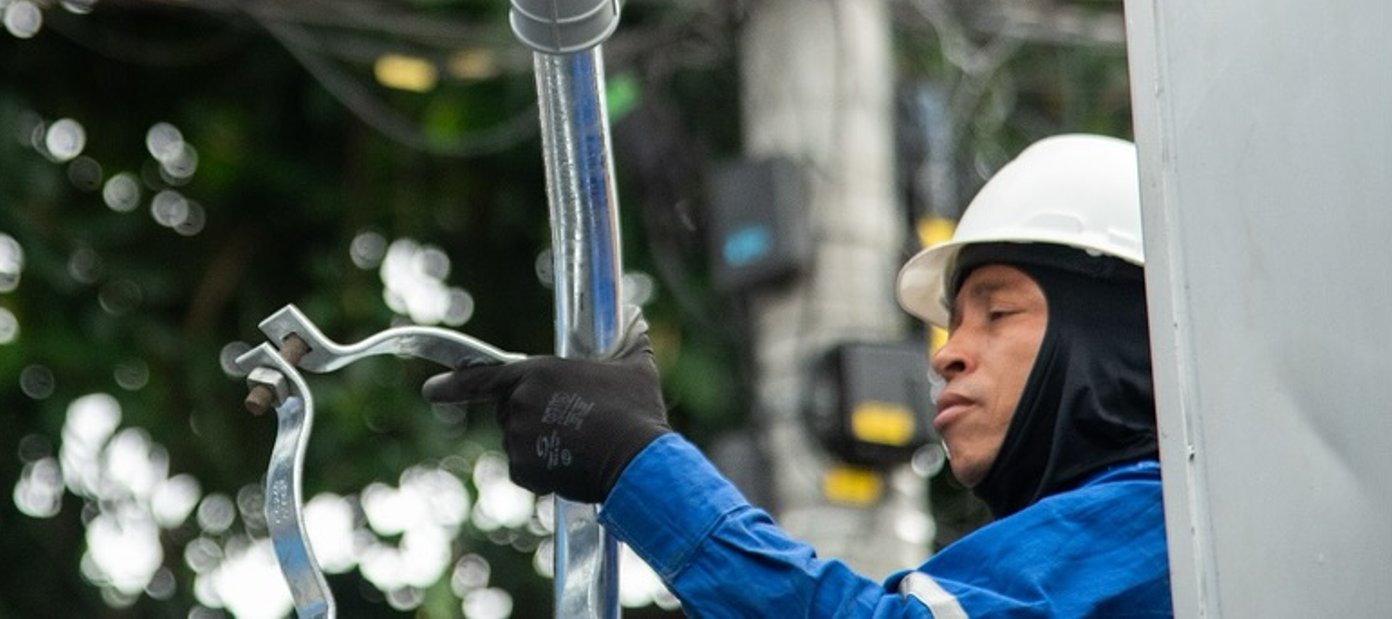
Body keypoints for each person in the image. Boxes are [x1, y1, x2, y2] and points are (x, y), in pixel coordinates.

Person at [424, 133, 1170, 618]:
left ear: (1113, 337)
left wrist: (637, 463)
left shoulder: (1163, 520)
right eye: (952, 323)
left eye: (997, 313)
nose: (946, 353)